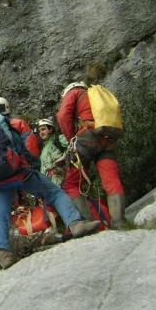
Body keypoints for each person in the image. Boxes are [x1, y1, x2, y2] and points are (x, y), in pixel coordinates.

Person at [0, 97, 101, 269]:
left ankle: (3, 253)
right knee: (54, 193)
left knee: (0, 214)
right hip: (21, 174)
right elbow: (30, 145)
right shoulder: (15, 123)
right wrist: (32, 167)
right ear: (6, 108)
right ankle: (76, 224)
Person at [56, 82, 125, 227]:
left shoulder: (73, 92)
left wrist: (71, 140)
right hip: (107, 137)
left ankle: (88, 224)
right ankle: (119, 222)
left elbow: (63, 116)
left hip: (88, 137)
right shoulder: (95, 95)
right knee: (111, 179)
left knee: (70, 183)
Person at [37, 117, 68, 186]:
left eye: (43, 129)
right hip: (50, 182)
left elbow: (73, 145)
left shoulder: (58, 139)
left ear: (50, 129)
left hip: (62, 179)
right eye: (39, 131)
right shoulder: (44, 148)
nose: (41, 133)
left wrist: (64, 156)